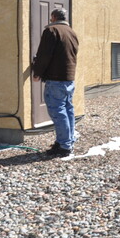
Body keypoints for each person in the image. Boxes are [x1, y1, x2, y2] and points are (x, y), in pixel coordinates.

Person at [32, 8, 79, 156]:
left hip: (55, 79)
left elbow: (44, 55)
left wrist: (37, 72)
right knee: (68, 110)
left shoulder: (51, 31)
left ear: (53, 17)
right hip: (69, 79)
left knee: (58, 112)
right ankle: (67, 141)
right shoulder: (72, 33)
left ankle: (64, 146)